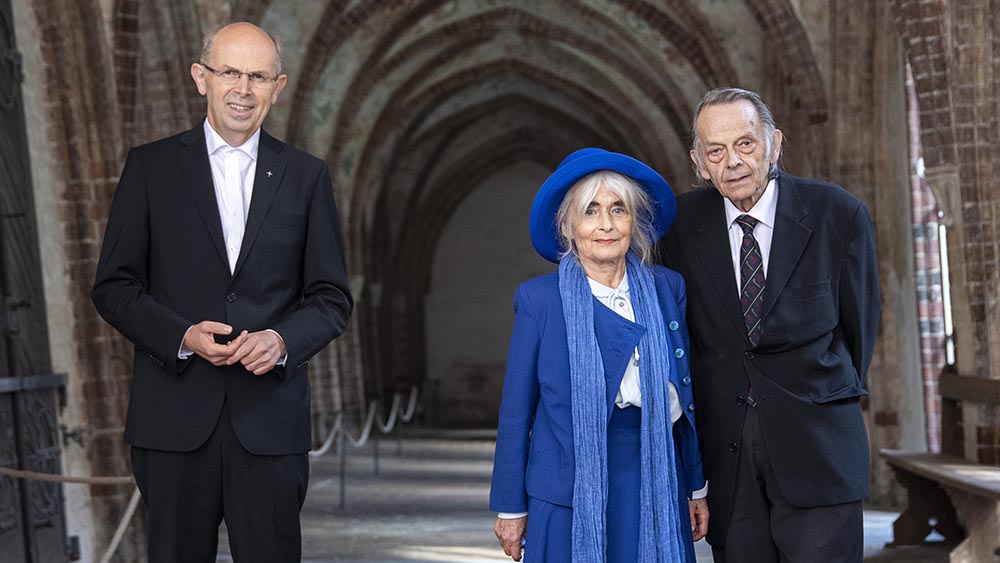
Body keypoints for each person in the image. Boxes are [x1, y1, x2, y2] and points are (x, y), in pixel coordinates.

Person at [91, 22, 352, 563]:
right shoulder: (151, 168)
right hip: (173, 419)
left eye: (258, 76)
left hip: (270, 423)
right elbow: (114, 287)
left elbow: (331, 297)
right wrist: (182, 335)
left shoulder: (306, 177)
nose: (243, 89)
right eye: (230, 72)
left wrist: (281, 340)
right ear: (200, 78)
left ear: (278, 87)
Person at [658, 87, 880, 563]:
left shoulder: (838, 214)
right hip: (728, 458)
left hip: (819, 448)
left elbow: (859, 333)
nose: (733, 162)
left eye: (745, 143)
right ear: (699, 163)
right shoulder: (677, 228)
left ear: (774, 144)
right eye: (716, 151)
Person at [490, 148, 709, 563]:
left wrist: (696, 485)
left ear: (634, 221)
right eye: (590, 211)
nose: (606, 224)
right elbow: (516, 410)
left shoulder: (668, 287)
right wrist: (510, 507)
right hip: (567, 491)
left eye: (618, 209)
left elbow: (688, 389)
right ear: (568, 227)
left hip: (657, 476)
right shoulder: (539, 301)